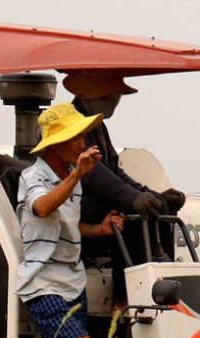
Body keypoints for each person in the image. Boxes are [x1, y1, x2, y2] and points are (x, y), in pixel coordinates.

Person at [18, 103, 126, 338]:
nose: (82, 142)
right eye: (74, 136)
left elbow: (66, 225)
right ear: (56, 143)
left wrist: (98, 229)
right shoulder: (32, 177)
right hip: (42, 282)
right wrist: (77, 175)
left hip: (71, 279)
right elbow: (44, 207)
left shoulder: (69, 177)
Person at [62, 71, 187, 261]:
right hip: (72, 201)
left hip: (92, 200)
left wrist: (149, 194)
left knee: (157, 208)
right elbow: (92, 172)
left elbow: (113, 170)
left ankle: (163, 269)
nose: (113, 101)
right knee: (132, 216)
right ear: (85, 94)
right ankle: (129, 285)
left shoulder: (97, 125)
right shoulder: (71, 125)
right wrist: (133, 197)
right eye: (107, 96)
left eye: (116, 96)